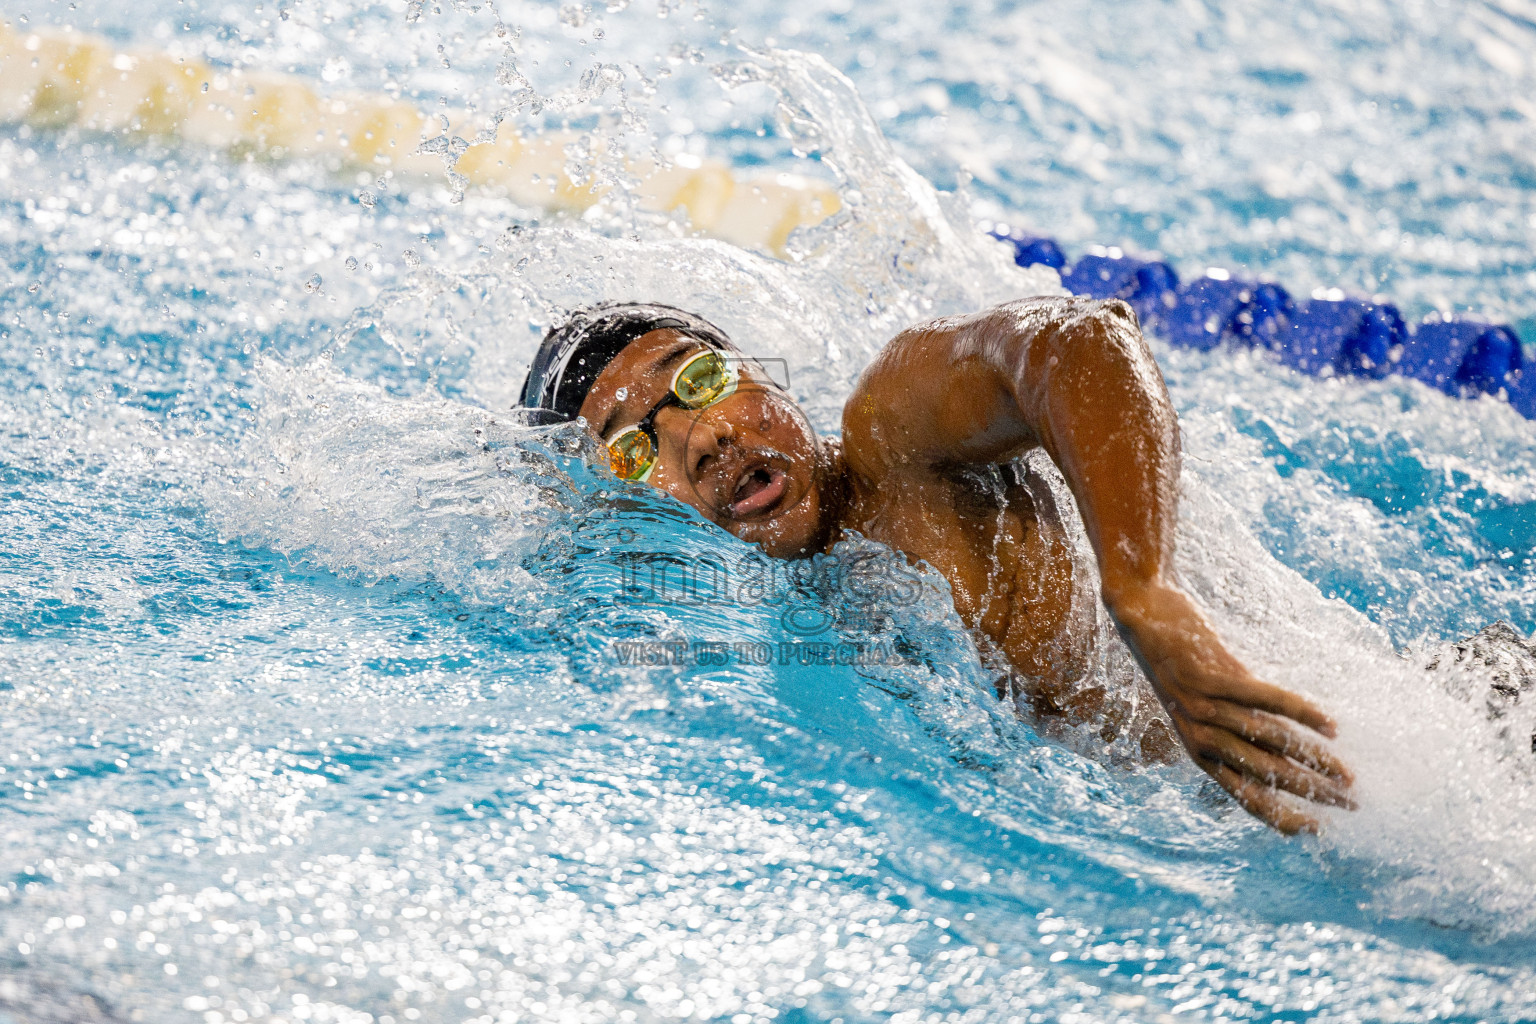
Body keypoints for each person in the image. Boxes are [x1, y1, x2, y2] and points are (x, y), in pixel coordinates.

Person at [517, 298, 1356, 834]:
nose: (704, 438)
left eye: (701, 381)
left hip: (1344, 736)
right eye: (633, 452)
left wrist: (1144, 589)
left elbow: (1081, 340)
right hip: (1240, 809)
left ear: (759, 377)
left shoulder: (896, 441)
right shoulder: (750, 634)